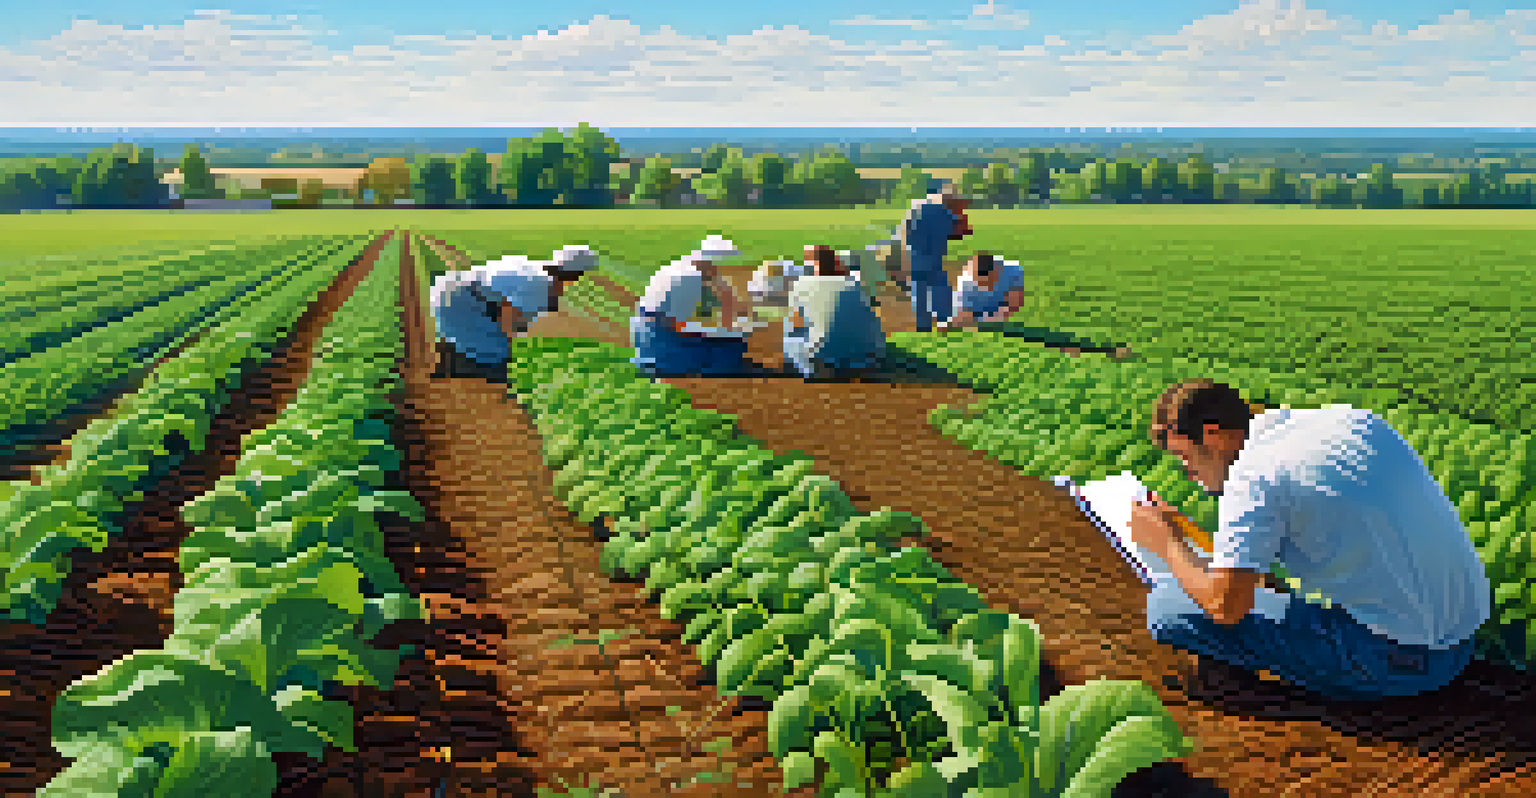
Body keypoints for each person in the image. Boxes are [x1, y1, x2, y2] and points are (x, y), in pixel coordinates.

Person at [1131, 379, 1490, 700]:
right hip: (1461, 639)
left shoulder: (1253, 477)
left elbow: (1225, 608)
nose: (1188, 473)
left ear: (1212, 435)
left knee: (1167, 607)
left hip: (1401, 661)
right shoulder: (1350, 421)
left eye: (1184, 458)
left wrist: (1166, 541)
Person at [430, 245, 598, 381]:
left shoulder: (533, 269)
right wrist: (512, 349)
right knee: (497, 358)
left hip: (447, 291)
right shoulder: (537, 284)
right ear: (576, 274)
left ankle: (451, 352)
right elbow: (508, 316)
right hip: (460, 302)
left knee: (491, 343)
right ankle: (463, 367)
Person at [630, 235, 752, 377]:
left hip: (647, 340)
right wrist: (721, 332)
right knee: (731, 348)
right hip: (661, 345)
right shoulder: (689, 279)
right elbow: (677, 325)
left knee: (727, 340)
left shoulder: (679, 267)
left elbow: (726, 296)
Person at [781, 246, 885, 380]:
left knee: (791, 328)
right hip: (867, 358)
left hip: (822, 360)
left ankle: (806, 364)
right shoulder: (855, 282)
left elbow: (795, 323)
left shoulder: (801, 284)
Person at [900, 188, 973, 332]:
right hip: (933, 258)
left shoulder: (917, 206)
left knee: (919, 292)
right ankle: (943, 322)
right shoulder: (943, 212)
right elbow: (958, 232)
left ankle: (922, 326)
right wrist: (962, 222)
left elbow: (907, 229)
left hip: (914, 257)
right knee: (941, 290)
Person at [946, 251, 1026, 331]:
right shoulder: (965, 283)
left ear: (995, 272)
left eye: (986, 283)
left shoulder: (1013, 272)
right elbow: (962, 315)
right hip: (977, 312)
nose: (981, 286)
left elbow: (1015, 306)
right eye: (978, 282)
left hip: (991, 313)